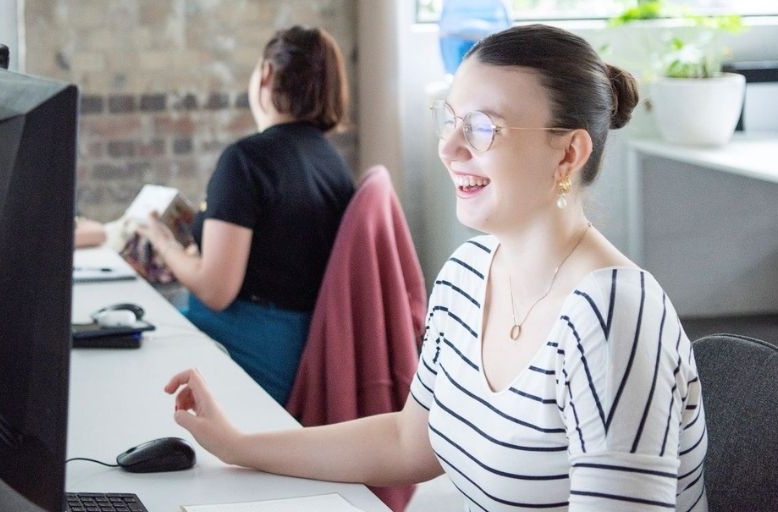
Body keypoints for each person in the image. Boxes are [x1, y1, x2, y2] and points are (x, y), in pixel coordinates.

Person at [161, 24, 709, 511]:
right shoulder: (467, 272)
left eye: (483, 127)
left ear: (567, 155)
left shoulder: (613, 315)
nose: (449, 148)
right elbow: (408, 440)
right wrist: (238, 444)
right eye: (450, 121)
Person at [137, 26, 355, 406]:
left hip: (248, 350)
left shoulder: (246, 160)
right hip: (303, 351)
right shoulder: (332, 163)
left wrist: (164, 244)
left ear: (267, 74)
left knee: (126, 348)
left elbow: (216, 290)